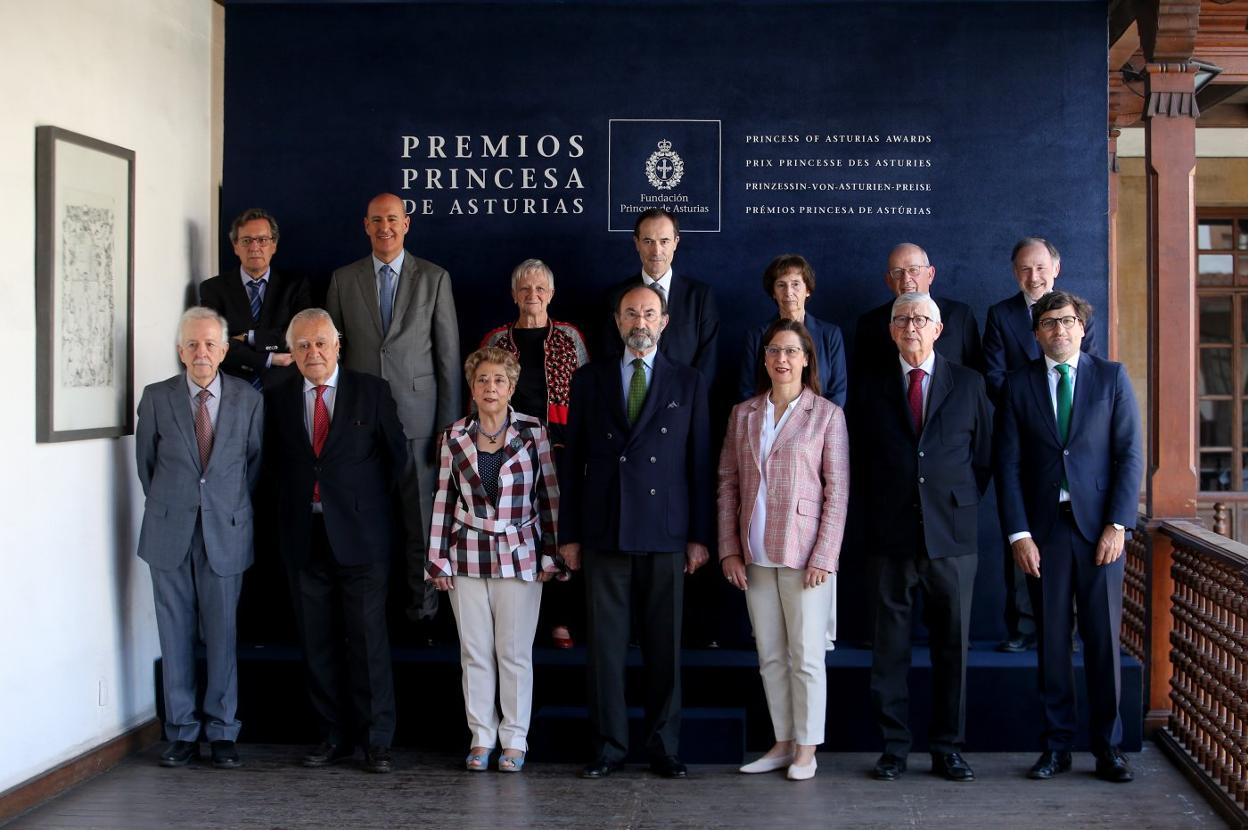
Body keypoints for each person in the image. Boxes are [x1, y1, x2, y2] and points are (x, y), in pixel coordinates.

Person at [560, 284, 713, 780]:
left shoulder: (688, 382)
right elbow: (572, 464)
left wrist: (699, 536)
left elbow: (699, 464)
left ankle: (664, 746)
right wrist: (569, 535)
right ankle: (608, 747)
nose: (640, 322)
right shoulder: (589, 380)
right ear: (617, 321)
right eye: (631, 314)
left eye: (649, 313)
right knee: (604, 649)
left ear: (665, 321)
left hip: (666, 532)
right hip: (604, 530)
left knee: (664, 648)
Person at [994, 290, 1143, 783]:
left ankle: (1108, 748)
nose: (1059, 330)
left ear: (1082, 327)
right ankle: (1056, 747)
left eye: (1068, 321)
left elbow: (1129, 456)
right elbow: (1008, 466)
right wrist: (1019, 533)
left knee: (1103, 641)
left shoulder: (1111, 378)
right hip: (1045, 531)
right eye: (1049, 324)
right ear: (1036, 334)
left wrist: (1118, 525)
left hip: (1101, 531)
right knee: (1052, 643)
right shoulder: (1018, 386)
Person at [852, 292, 992, 783]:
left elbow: (984, 459)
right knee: (888, 650)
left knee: (952, 648)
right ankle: (893, 748)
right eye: (902, 319)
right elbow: (858, 462)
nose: (911, 326)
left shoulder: (971, 384)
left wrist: (953, 502)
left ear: (939, 329)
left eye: (921, 319)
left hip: (952, 539)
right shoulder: (868, 387)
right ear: (891, 330)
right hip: (888, 537)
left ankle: (947, 747)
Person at [265, 308, 409, 774]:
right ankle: (332, 736)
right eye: (302, 345)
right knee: (317, 642)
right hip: (304, 537)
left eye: (320, 343)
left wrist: (372, 516)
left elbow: (398, 464)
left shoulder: (371, 391)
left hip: (363, 539)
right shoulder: (277, 395)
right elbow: (269, 468)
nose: (312, 353)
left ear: (338, 345)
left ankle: (376, 741)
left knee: (369, 643)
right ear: (293, 351)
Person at [718, 318, 849, 781]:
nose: (781, 359)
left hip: (804, 555)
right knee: (771, 654)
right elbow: (729, 484)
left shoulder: (827, 415)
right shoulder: (744, 414)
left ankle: (807, 748)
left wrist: (824, 557)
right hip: (755, 553)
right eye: (774, 350)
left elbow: (838, 492)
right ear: (765, 358)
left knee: (807, 655)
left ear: (807, 359)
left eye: (791, 351)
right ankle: (783, 740)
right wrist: (729, 549)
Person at [326, 192, 461, 634]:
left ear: (407, 224)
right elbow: (332, 359)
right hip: (361, 424)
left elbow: (448, 358)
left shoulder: (434, 278)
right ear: (365, 226)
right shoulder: (343, 280)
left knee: (420, 524)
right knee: (368, 522)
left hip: (421, 424)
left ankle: (422, 614)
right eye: (376, 220)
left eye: (393, 219)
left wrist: (448, 426)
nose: (385, 227)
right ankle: (375, 616)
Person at [135, 307, 263, 769]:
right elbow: (147, 467)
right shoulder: (155, 398)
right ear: (180, 351)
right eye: (192, 344)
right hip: (169, 531)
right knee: (175, 635)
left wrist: (215, 507)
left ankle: (223, 732)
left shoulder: (249, 400)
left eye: (210, 344)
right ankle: (182, 732)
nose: (201, 352)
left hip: (225, 532)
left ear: (225, 350)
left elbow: (252, 463)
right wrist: (180, 504)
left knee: (223, 634)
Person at [427, 348, 561, 773]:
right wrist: (437, 559)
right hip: (465, 553)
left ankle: (515, 739)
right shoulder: (454, 435)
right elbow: (443, 499)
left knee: (514, 652)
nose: (490, 387)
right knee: (475, 652)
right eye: (482, 379)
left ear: (512, 386)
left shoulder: (534, 432)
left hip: (520, 555)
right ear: (472, 386)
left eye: (498, 380)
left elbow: (550, 496)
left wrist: (551, 552)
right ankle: (481, 737)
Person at [983, 237, 1100, 654]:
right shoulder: (1001, 315)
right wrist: (1030, 403)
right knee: (1021, 534)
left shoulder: (1079, 314)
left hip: (1072, 443)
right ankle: (1022, 627)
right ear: (1015, 273)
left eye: (1040, 268)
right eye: (1024, 270)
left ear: (1056, 267)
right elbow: (993, 375)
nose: (1033, 277)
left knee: (1074, 539)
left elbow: (1092, 376)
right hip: (1024, 436)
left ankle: (1069, 630)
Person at [480, 258, 589, 648]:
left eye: (540, 288)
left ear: (552, 294)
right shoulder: (496, 340)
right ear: (513, 295)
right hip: (509, 451)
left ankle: (561, 617)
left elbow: (587, 393)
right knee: (515, 531)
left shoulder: (570, 338)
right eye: (525, 289)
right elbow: (480, 395)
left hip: (559, 448)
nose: (533, 295)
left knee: (559, 532)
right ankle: (516, 621)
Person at [600, 208, 720, 382]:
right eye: (648, 241)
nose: (656, 251)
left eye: (664, 241)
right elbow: (609, 358)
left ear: (676, 242)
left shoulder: (700, 297)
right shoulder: (616, 296)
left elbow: (707, 364)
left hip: (683, 403)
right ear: (637, 243)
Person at [198, 208, 310, 391]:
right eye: (246, 240)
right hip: (233, 389)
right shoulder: (213, 289)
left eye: (262, 240)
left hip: (284, 389)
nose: (254, 247)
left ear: (274, 245)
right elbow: (213, 344)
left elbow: (298, 337)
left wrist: (247, 337)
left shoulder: (296, 287)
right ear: (235, 246)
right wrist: (270, 358)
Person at [852, 243, 983, 380]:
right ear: (889, 281)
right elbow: (861, 383)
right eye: (897, 272)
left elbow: (977, 376)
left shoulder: (960, 316)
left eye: (913, 270)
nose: (906, 279)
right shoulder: (870, 323)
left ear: (930, 274)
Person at [737, 255, 846, 406]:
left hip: (820, 426)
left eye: (795, 284)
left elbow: (838, 392)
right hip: (768, 425)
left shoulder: (831, 335)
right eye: (781, 285)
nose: (788, 292)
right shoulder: (756, 336)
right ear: (773, 293)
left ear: (808, 290)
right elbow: (747, 391)